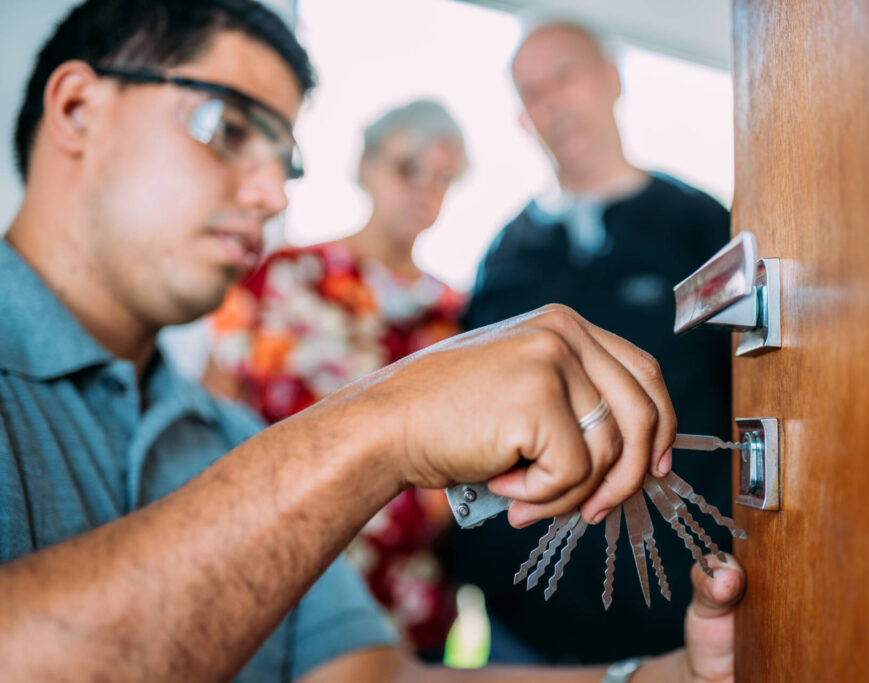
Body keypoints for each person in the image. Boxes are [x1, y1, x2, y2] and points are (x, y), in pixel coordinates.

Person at [0, 1, 744, 681]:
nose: (272, 195)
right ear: (75, 106)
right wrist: (383, 423)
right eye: (225, 128)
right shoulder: (267, 425)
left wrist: (664, 676)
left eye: (284, 162)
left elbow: (369, 675)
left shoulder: (221, 439)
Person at [455, 19, 735, 664]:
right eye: (532, 93)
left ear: (610, 80)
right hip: (522, 621)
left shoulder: (697, 223)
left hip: (676, 619)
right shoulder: (505, 251)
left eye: (565, 77)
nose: (551, 103)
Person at [202, 99, 469, 657]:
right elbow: (207, 411)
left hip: (401, 594)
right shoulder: (280, 277)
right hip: (273, 570)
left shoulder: (453, 315)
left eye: (442, 178)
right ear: (367, 166)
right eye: (408, 168)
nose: (424, 189)